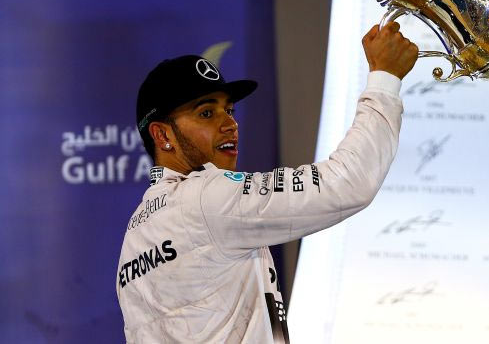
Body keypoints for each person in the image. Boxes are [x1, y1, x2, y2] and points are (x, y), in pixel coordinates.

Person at [116, 22, 418, 343]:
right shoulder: (207, 198)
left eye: (229, 110)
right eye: (206, 114)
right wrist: (385, 80)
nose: (229, 124)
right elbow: (347, 183)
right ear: (163, 135)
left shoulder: (135, 235)